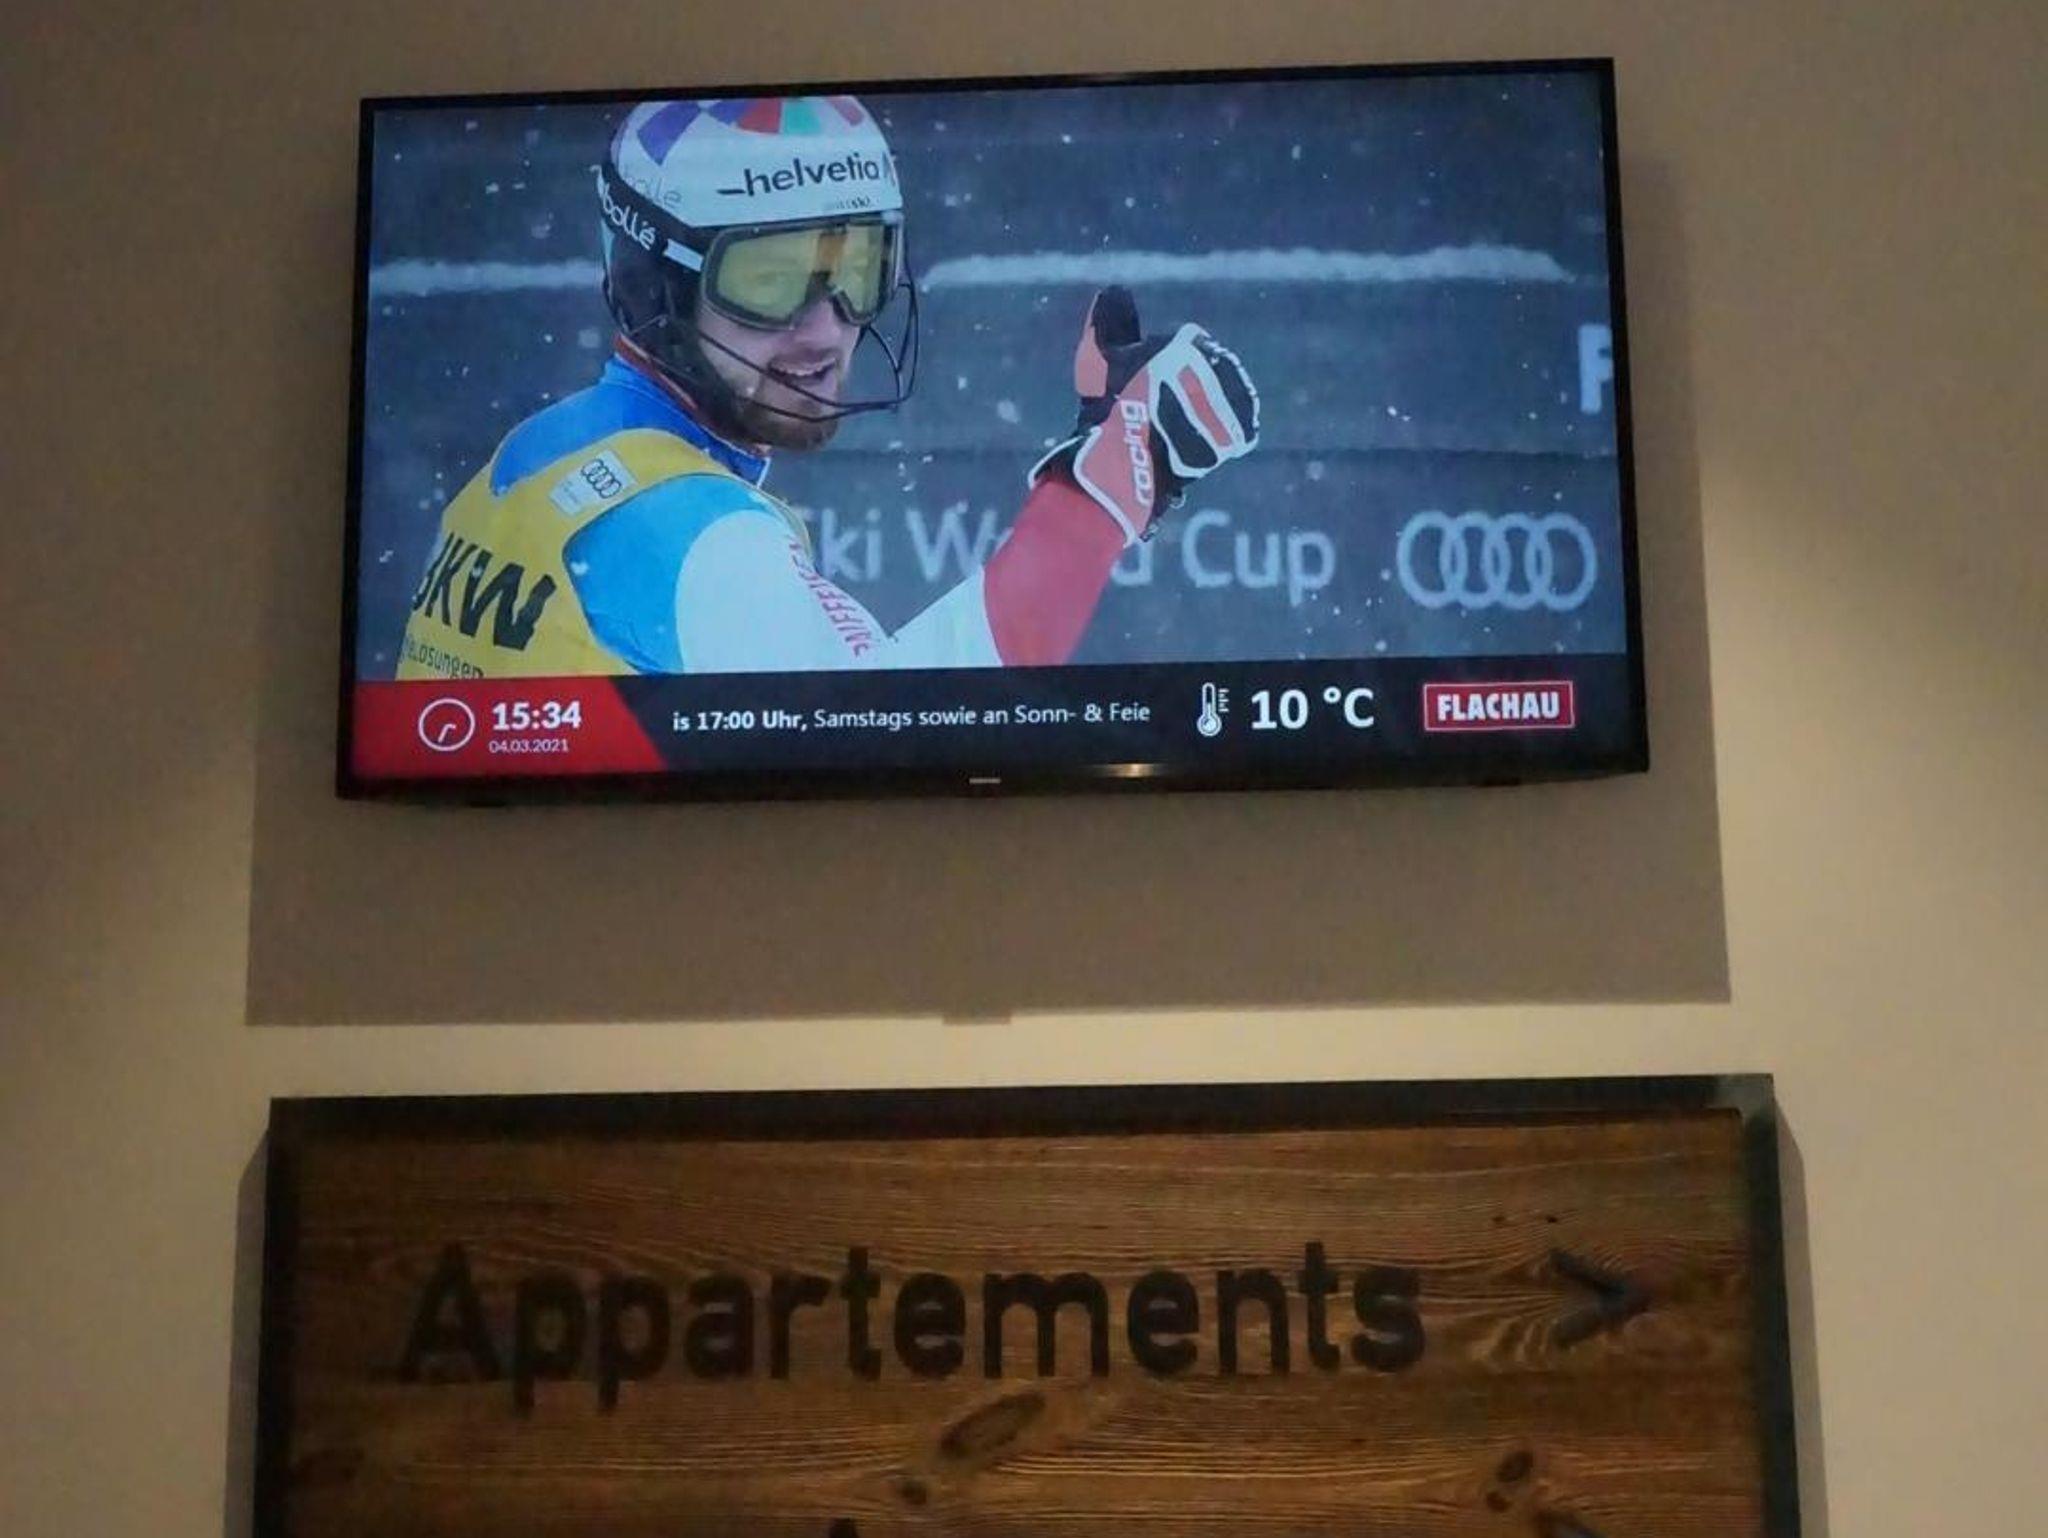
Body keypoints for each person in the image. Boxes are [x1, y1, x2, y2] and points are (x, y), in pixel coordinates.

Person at [398, 95, 1259, 680]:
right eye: (768, 279)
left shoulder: (544, 451)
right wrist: (1100, 493)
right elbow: (919, 728)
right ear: (654, 289)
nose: (825, 331)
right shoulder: (703, 540)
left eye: (855, 269)